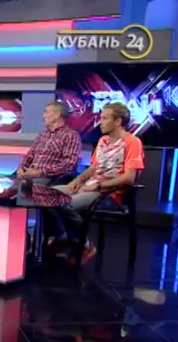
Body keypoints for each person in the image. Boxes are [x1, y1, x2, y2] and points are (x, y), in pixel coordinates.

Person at [49, 102, 144, 264]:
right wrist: (77, 181)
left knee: (65, 204)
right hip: (90, 186)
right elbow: (94, 168)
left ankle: (84, 245)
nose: (100, 122)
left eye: (105, 118)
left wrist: (98, 186)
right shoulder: (103, 140)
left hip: (109, 193)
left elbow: (129, 178)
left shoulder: (133, 142)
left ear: (118, 121)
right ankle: (62, 237)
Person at [16, 101, 82, 184]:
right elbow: (30, 155)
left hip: (50, 179)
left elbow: (68, 165)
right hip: (30, 176)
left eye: (46, 112)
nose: (43, 116)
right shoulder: (42, 135)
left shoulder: (71, 135)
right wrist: (21, 168)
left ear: (57, 115)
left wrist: (40, 172)